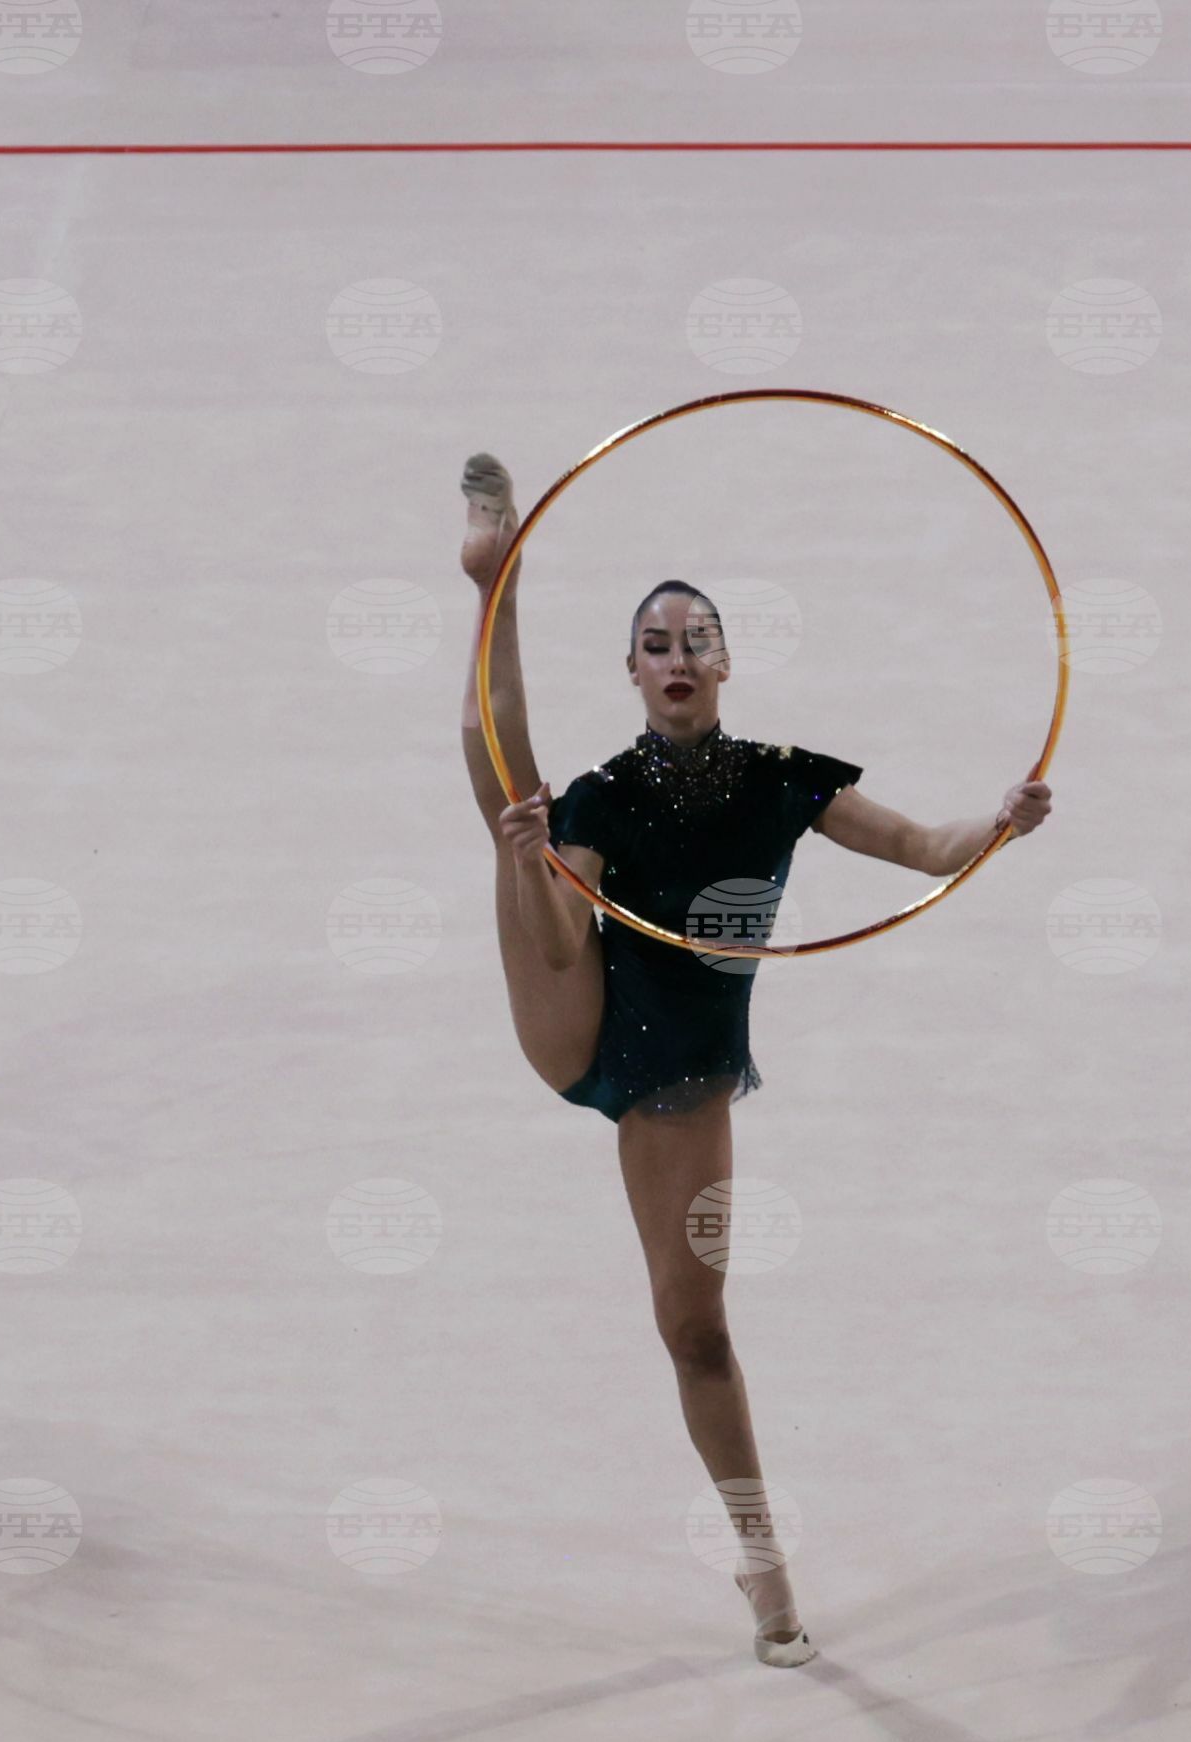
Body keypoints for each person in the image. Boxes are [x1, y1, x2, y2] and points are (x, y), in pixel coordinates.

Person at [452, 451, 1054, 1664]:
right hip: (581, 1011)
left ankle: (760, 1557)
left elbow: (924, 847)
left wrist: (998, 823)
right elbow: (566, 941)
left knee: (696, 1331)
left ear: (725, 663)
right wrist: (532, 864)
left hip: (682, 1069)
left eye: (697, 640)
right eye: (655, 644)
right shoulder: (605, 798)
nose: (677, 657)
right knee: (510, 794)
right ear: (631, 670)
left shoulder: (783, 782)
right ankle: (491, 580)